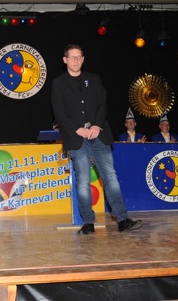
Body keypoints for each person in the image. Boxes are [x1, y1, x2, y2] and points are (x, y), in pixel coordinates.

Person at [51, 44, 142, 235]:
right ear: (65, 60)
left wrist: (96, 126)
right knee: (83, 180)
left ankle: (123, 219)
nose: (76, 60)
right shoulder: (58, 83)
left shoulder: (94, 79)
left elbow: (103, 105)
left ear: (83, 59)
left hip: (99, 134)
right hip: (76, 138)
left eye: (79, 57)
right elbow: (58, 111)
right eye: (72, 57)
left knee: (110, 176)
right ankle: (88, 222)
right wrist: (77, 129)